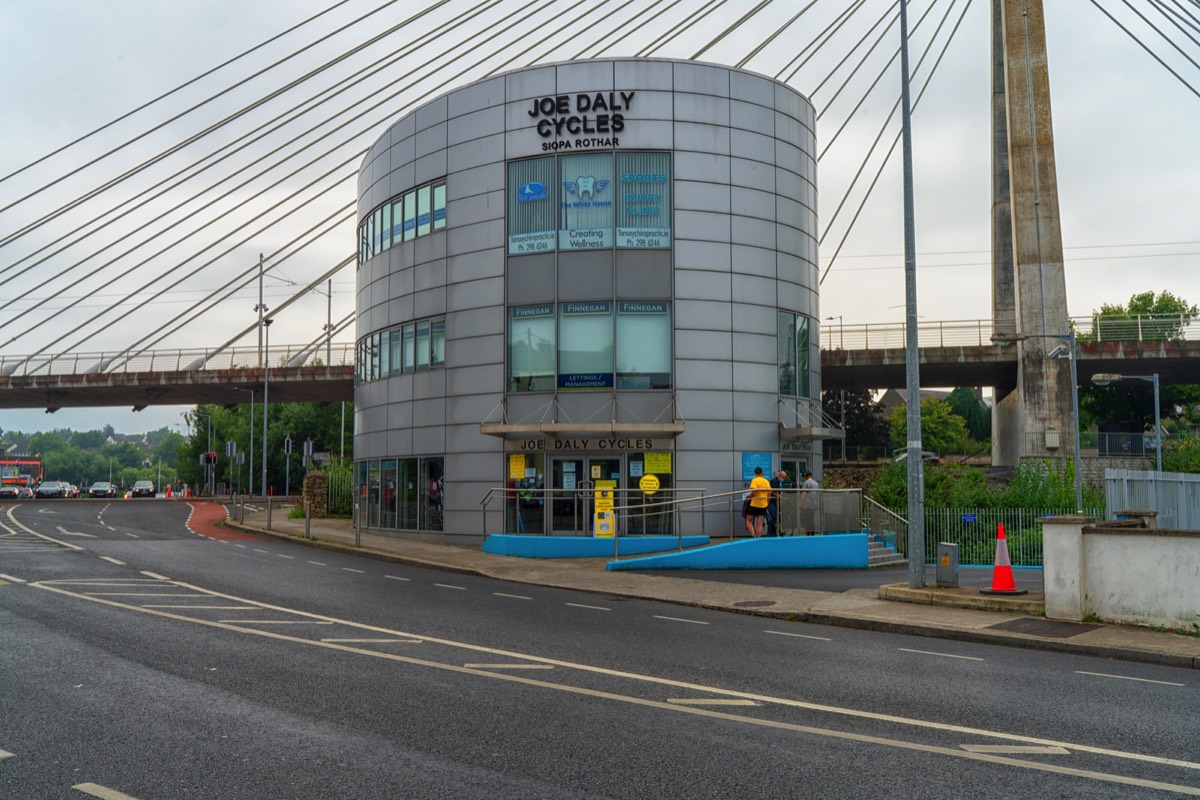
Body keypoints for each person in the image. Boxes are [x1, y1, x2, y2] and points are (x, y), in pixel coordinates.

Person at [744, 466, 771, 538]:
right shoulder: (767, 481)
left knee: (748, 520)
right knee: (760, 523)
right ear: (762, 473)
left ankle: (753, 535)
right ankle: (758, 538)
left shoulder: (754, 480)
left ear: (755, 473)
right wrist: (767, 503)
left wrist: (749, 496)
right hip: (763, 505)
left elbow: (754, 492)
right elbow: (769, 495)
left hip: (755, 504)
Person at [766, 469, 786, 537]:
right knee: (772, 518)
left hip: (775, 503)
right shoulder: (774, 481)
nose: (783, 479)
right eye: (783, 477)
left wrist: (782, 496)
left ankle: (774, 533)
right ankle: (771, 534)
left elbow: (778, 491)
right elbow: (773, 492)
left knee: (775, 518)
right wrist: (781, 497)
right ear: (779, 475)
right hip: (771, 502)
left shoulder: (778, 482)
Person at [799, 470, 819, 535]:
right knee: (812, 519)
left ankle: (808, 533)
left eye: (804, 477)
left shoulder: (806, 483)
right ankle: (812, 533)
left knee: (807, 519)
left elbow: (804, 493)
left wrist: (800, 504)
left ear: (806, 476)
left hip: (807, 504)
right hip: (814, 504)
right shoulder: (816, 483)